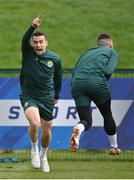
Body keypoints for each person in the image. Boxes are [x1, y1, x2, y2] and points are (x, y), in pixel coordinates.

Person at [20, 15, 62, 172]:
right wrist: (32, 27)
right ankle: (34, 150)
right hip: (29, 95)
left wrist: (57, 95)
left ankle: (44, 156)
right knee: (35, 123)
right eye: (35, 42)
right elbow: (24, 40)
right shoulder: (28, 52)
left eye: (40, 42)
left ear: (46, 43)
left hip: (47, 98)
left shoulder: (55, 58)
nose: (38, 45)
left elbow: (58, 78)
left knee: (47, 130)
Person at [70, 33, 121, 156]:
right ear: (110, 45)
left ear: (98, 45)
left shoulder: (86, 53)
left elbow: (74, 72)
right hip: (97, 83)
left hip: (77, 84)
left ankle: (79, 128)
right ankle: (114, 146)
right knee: (107, 114)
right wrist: (99, 82)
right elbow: (108, 71)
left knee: (86, 120)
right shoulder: (111, 52)